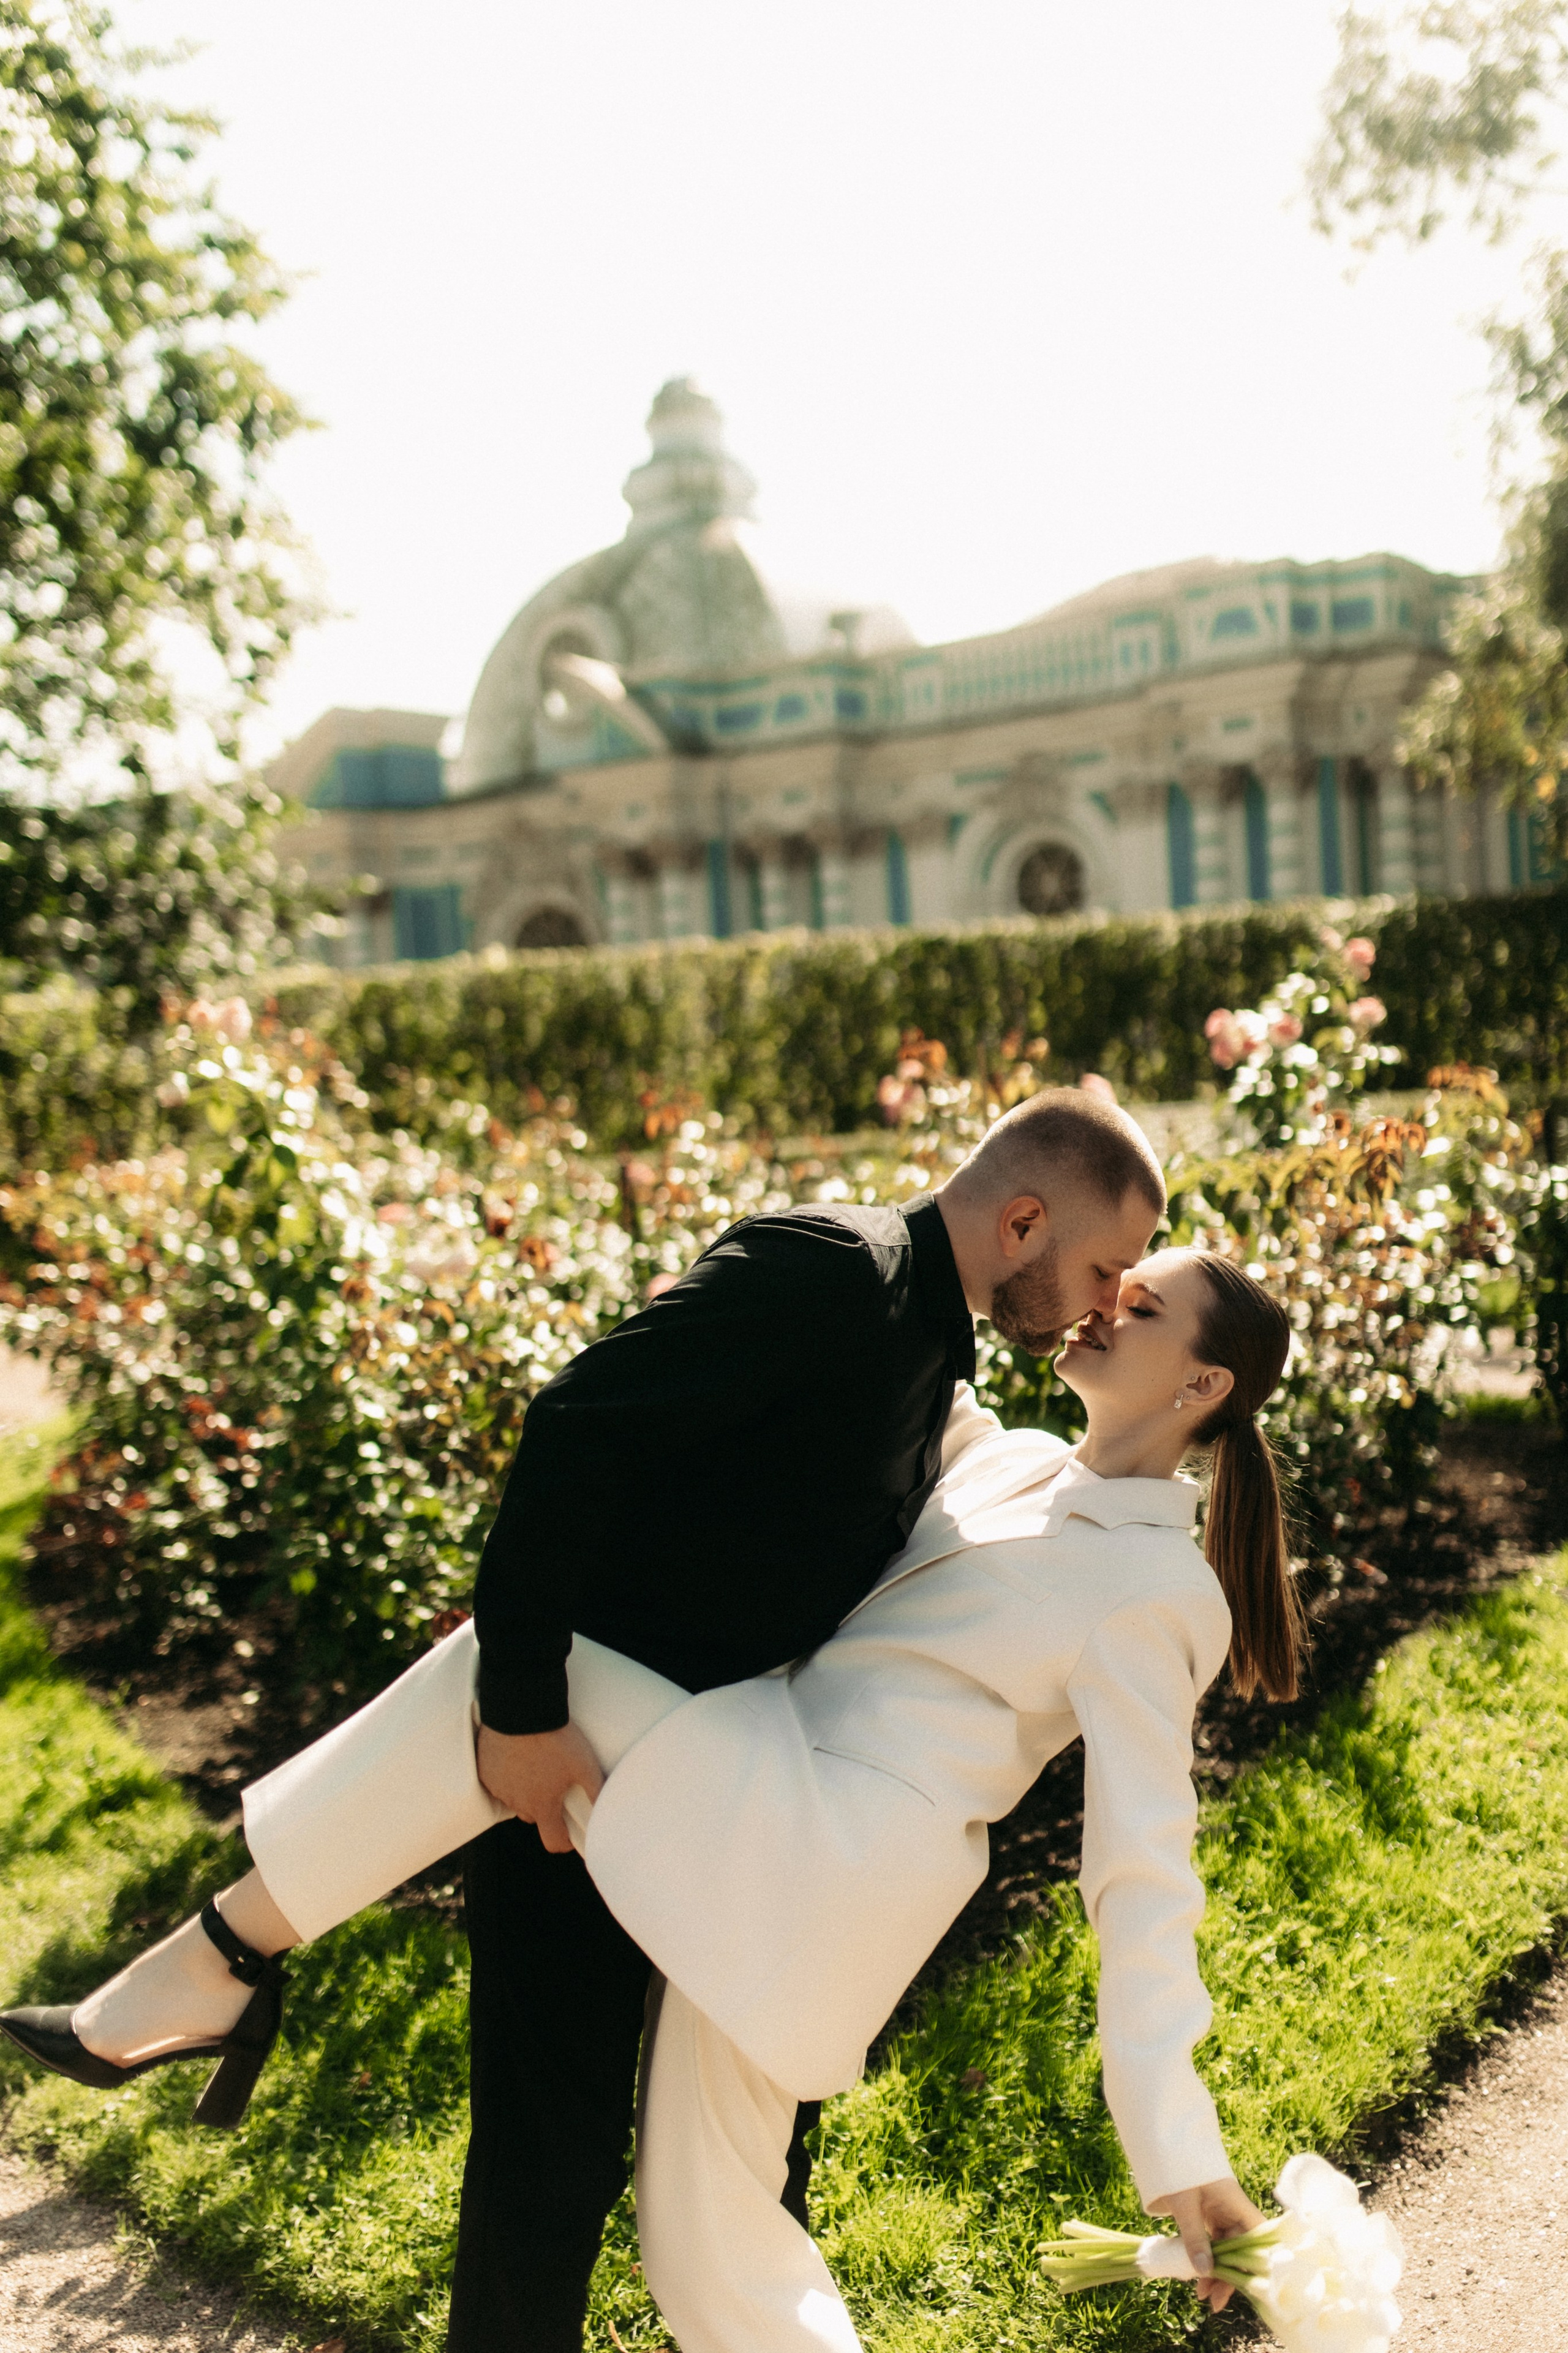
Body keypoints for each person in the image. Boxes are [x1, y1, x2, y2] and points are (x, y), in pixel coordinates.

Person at [3, 1243, 1303, 2353]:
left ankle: (221, 1958)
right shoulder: (1000, 1454)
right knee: (713, 2253)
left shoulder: (1158, 1592)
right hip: (753, 1801)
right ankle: (213, 1968)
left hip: (830, 1869)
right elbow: (850, 1389)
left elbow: (1140, 1871)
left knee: (528, 1674)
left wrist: (1176, 2149)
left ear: (1202, 1384)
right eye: (1115, 1281)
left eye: (1137, 1306)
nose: (1099, 1304)